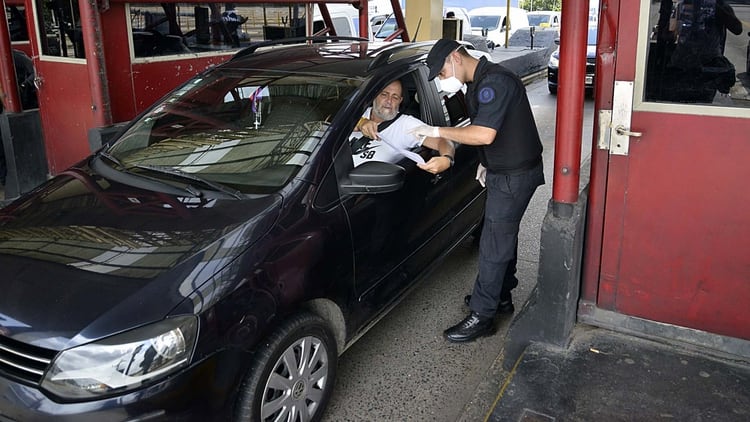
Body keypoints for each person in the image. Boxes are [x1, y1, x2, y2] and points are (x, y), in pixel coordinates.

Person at [414, 38, 544, 342]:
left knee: (493, 244)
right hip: (508, 170)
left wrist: (435, 131)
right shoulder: (479, 81)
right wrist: (486, 163)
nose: (443, 81)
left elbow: (484, 133)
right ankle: (500, 297)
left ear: (455, 57)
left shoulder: (494, 83)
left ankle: (483, 316)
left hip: (513, 177)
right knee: (502, 236)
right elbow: (495, 131)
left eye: (442, 73)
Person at [351, 80, 454, 174]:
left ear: (400, 101)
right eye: (384, 94)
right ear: (374, 95)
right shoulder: (357, 113)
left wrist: (447, 158)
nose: (389, 101)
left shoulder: (406, 125)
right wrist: (361, 122)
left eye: (395, 97)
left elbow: (443, 140)